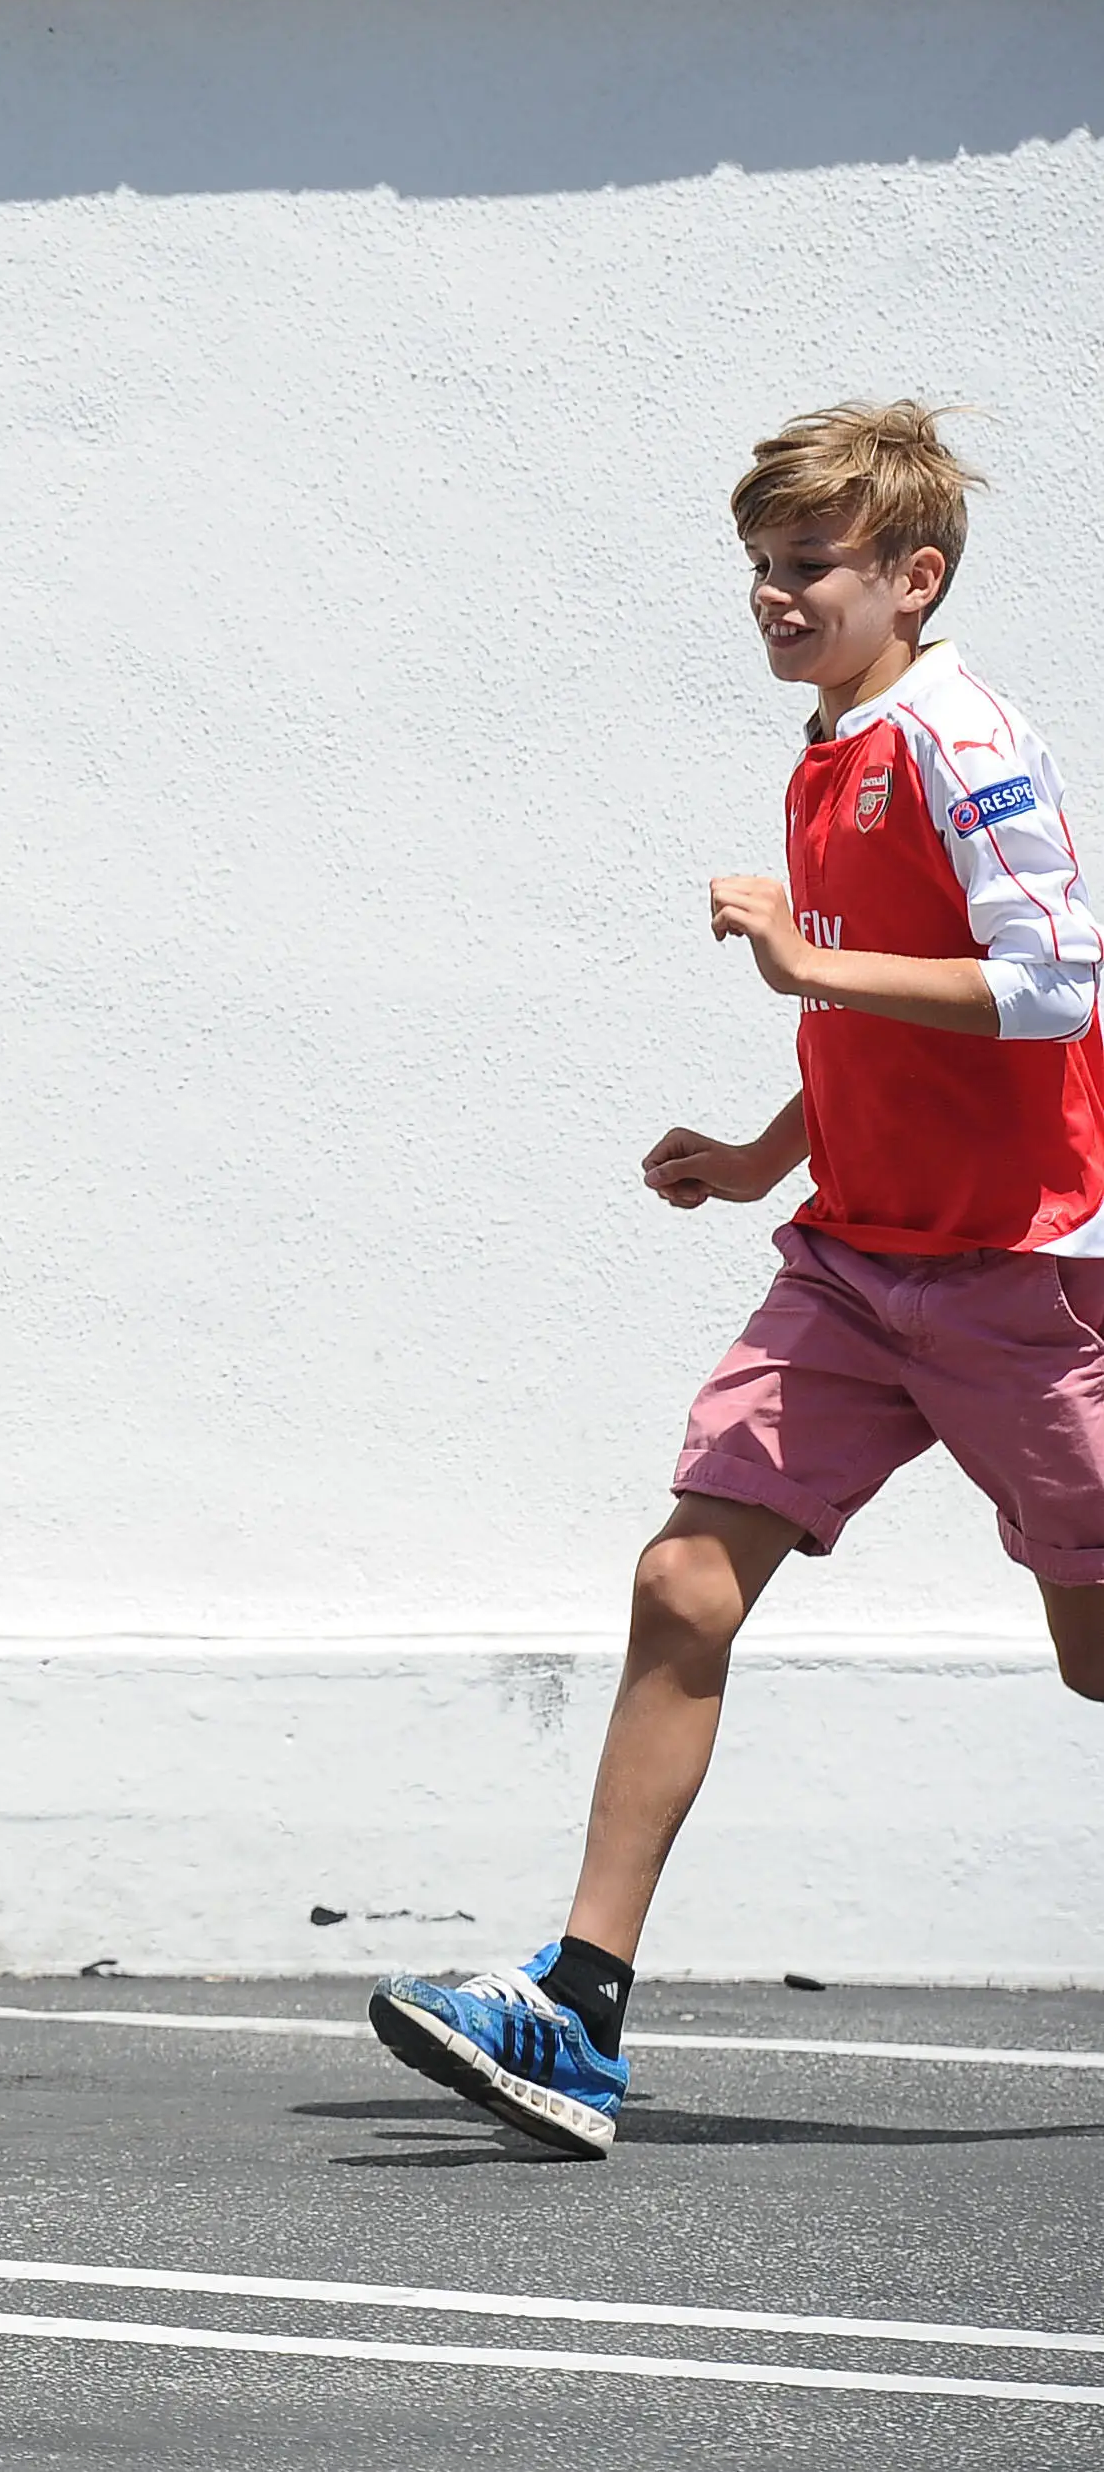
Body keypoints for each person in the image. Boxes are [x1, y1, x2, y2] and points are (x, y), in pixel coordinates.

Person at [369, 403, 1104, 2159]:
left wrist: (797, 959)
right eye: (759, 566)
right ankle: (575, 2011)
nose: (773, 594)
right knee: (682, 1580)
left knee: (1094, 1661)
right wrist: (772, 1153)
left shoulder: (959, 738)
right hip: (850, 1264)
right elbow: (872, 1009)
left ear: (911, 578)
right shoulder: (827, 745)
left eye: (809, 564)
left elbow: (1059, 984)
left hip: (1026, 1276)